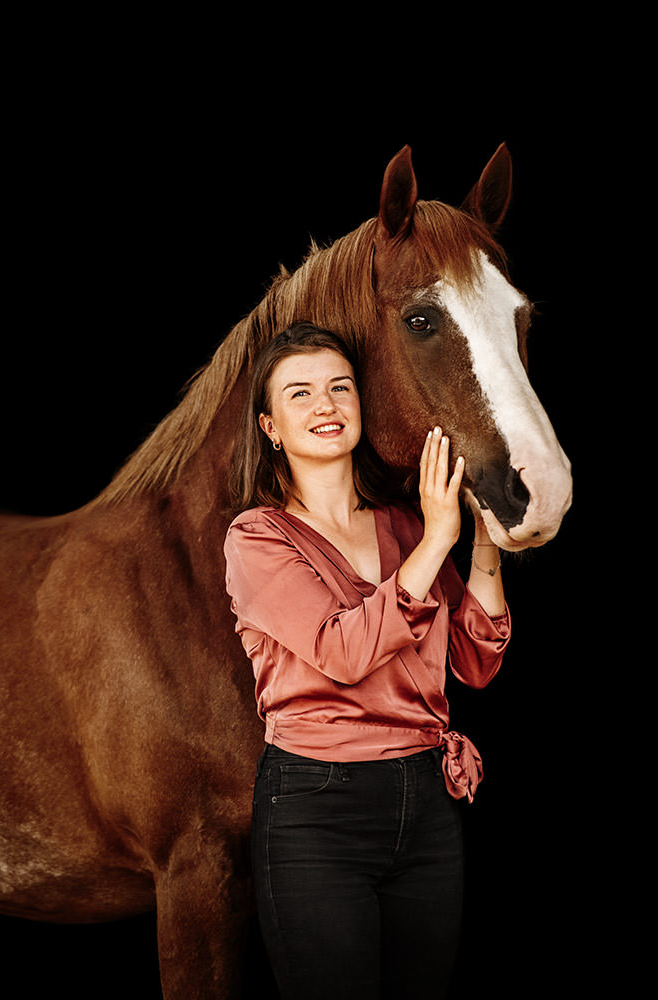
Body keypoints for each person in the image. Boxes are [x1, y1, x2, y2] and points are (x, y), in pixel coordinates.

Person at [224, 322, 510, 1000]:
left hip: (427, 807)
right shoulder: (255, 537)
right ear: (270, 425)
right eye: (300, 394)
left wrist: (483, 542)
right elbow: (341, 652)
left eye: (339, 388)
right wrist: (439, 537)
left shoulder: (407, 527)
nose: (325, 406)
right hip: (317, 809)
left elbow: (475, 662)